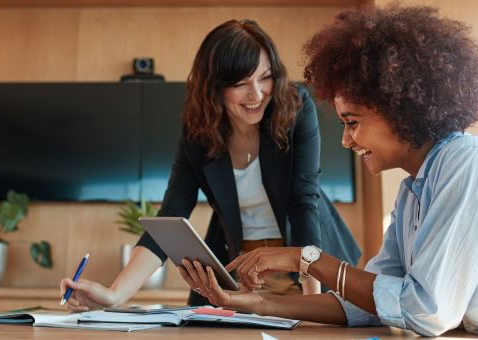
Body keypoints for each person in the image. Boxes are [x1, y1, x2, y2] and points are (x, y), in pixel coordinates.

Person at [178, 5, 478, 339]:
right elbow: (367, 303)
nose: (347, 140)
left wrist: (306, 258)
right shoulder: (413, 191)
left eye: (352, 122)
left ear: (399, 108)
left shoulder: (470, 164)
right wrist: (253, 304)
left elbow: (426, 310)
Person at [60, 19, 360, 310]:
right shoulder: (199, 134)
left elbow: (303, 201)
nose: (257, 94)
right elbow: (171, 217)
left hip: (308, 267)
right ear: (215, 87)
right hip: (241, 276)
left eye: (265, 77)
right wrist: (114, 295)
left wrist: (311, 304)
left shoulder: (295, 107)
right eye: (241, 83)